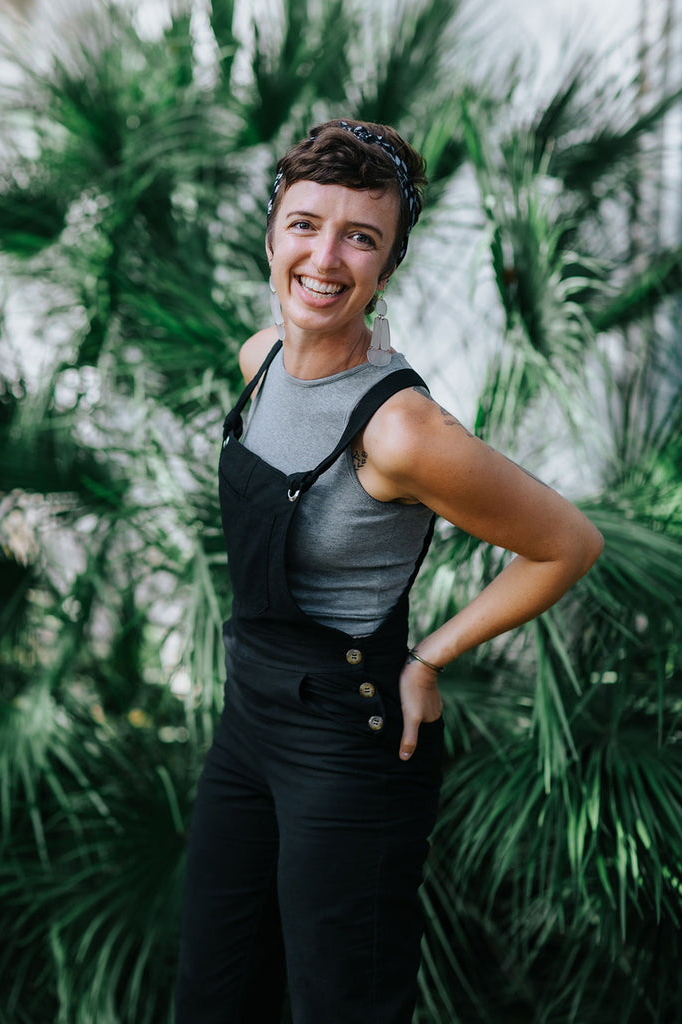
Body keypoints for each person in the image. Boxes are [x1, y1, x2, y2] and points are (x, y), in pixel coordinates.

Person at [174, 119, 603, 1024]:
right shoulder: (259, 361)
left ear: (387, 262)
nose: (324, 257)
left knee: (343, 1000)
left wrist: (429, 656)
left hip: (348, 740)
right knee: (213, 991)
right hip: (248, 720)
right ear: (271, 233)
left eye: (359, 237)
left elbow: (566, 543)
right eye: (304, 224)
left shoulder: (402, 429)